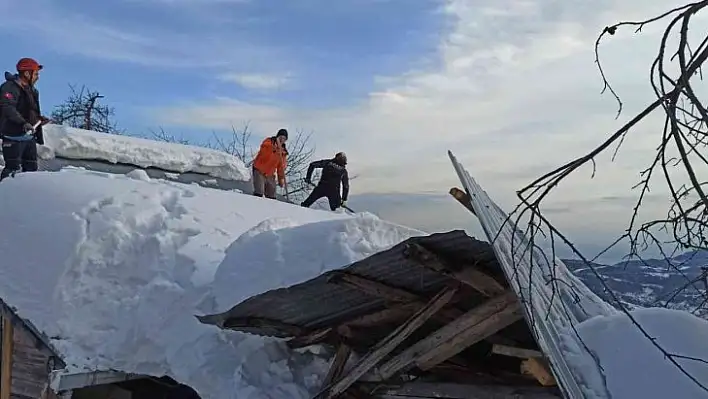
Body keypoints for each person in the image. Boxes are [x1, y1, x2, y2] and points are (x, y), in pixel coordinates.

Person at [0, 58, 51, 181]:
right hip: (12, 137)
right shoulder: (9, 87)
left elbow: (29, 111)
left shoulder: (33, 91)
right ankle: (4, 195)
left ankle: (27, 198)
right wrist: (23, 123)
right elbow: (7, 108)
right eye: (36, 73)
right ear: (27, 73)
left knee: (31, 171)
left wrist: (38, 120)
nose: (37, 77)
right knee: (12, 170)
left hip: (29, 138)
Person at [251, 128, 288, 199]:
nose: (282, 140)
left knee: (272, 194)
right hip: (259, 170)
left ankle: (269, 209)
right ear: (277, 137)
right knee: (259, 191)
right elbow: (264, 152)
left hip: (270, 174)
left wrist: (281, 179)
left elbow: (281, 167)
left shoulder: (283, 152)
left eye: (284, 139)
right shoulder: (268, 142)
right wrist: (274, 148)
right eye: (281, 137)